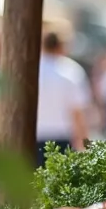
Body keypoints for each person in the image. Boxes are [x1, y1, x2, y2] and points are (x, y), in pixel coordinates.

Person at [36, 31, 92, 167]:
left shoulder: (32, 69)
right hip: (61, 141)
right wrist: (85, 145)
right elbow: (78, 112)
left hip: (32, 138)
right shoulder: (70, 71)